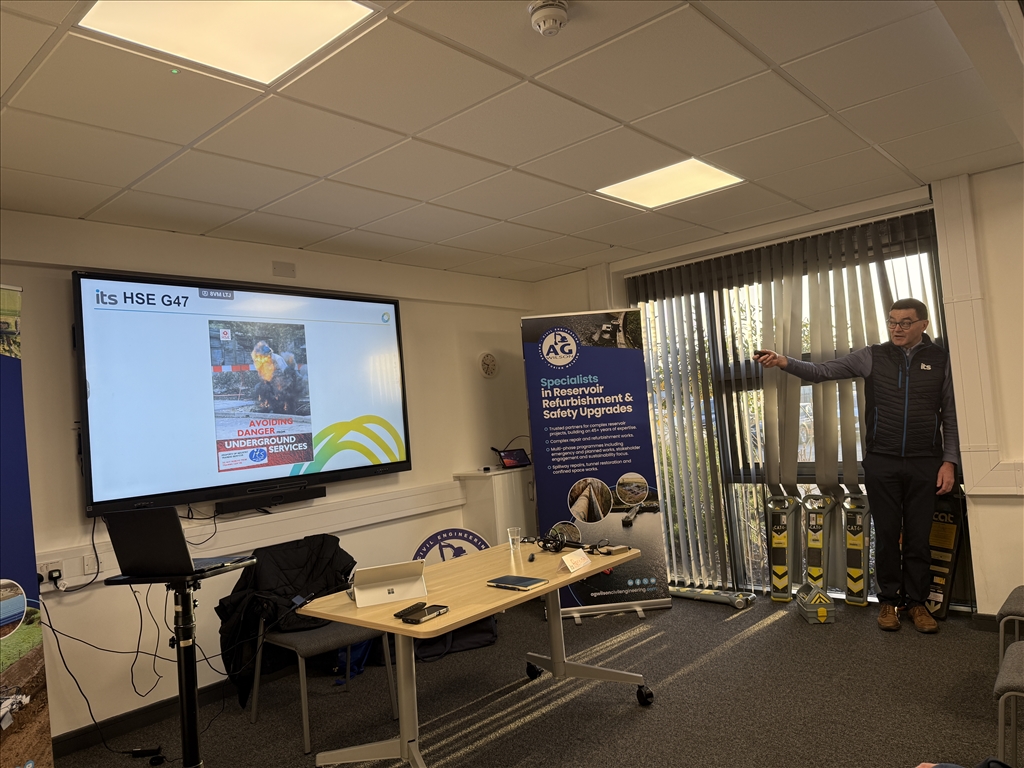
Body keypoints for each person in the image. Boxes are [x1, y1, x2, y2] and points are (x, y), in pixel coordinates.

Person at [754, 298, 958, 633]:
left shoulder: (940, 360)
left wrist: (949, 461)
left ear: (923, 324)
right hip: (882, 460)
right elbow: (822, 371)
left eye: (905, 323)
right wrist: (783, 361)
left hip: (926, 462)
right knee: (887, 534)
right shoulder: (872, 355)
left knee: (919, 538)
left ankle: (918, 604)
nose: (896, 328)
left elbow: (950, 413)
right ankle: (889, 601)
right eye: (892, 321)